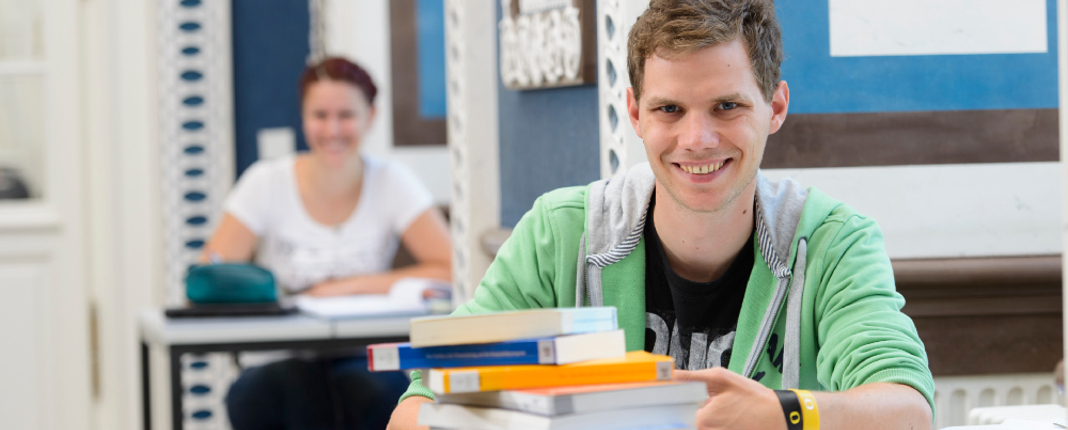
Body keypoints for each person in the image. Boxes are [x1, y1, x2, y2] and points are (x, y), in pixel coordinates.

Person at [387, 0, 934, 429]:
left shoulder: (835, 242)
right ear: (635, 113)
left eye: (728, 106)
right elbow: (413, 411)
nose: (696, 139)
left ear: (775, 107)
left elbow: (909, 410)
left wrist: (787, 413)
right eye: (669, 109)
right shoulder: (560, 234)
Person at [202, 57, 452, 430]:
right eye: (320, 115)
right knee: (279, 392)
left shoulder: (392, 182)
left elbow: (450, 267)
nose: (333, 129)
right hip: (280, 355)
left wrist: (345, 288)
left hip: (362, 354)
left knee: (372, 392)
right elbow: (214, 274)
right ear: (303, 118)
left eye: (346, 115)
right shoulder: (265, 182)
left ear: (371, 116)